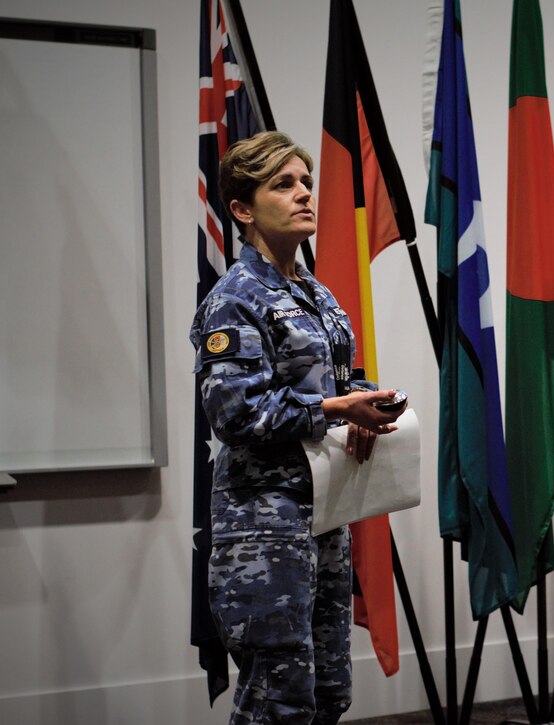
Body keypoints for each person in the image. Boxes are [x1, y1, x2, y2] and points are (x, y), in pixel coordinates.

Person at [190, 130, 407, 725]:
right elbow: (235, 413)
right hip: (262, 525)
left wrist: (363, 400)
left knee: (329, 692)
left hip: (321, 512)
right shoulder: (235, 300)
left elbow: (335, 377)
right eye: (283, 184)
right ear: (242, 208)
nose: (304, 194)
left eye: (306, 182)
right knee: (277, 700)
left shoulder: (313, 292)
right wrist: (338, 411)